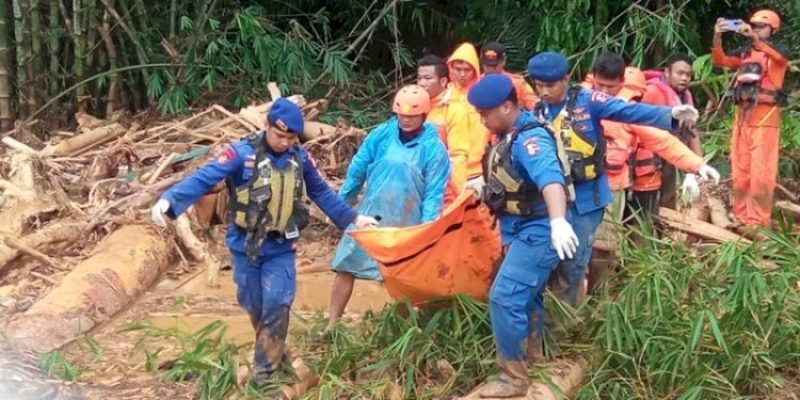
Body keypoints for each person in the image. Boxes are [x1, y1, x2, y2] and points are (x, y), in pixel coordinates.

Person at [149, 98, 379, 386]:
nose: (284, 142)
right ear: (267, 126)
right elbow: (205, 178)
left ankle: (264, 377)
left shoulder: (300, 158)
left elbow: (321, 192)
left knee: (277, 303)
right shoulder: (240, 153)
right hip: (245, 246)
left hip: (281, 246)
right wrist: (170, 201)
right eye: (279, 135)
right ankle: (281, 357)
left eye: (291, 137)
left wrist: (354, 220)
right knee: (254, 304)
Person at [527, 51, 702, 307]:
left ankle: (591, 308)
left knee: (590, 255)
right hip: (556, 195)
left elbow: (643, 121)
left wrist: (692, 163)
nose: (543, 91)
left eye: (549, 85)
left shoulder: (593, 102)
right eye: (539, 85)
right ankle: (555, 314)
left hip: (598, 192)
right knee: (554, 258)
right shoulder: (539, 111)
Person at [464, 73, 579, 398]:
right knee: (528, 296)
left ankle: (513, 379)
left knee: (505, 296)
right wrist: (483, 187)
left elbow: (550, 180)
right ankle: (533, 357)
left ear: (506, 106)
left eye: (485, 113)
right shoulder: (509, 133)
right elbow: (515, 178)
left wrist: (558, 222)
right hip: (518, 226)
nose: (482, 119)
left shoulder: (531, 139)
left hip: (539, 230)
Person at [321, 85, 451, 336]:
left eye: (412, 116)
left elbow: (434, 195)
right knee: (345, 266)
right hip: (370, 214)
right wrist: (342, 202)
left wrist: (425, 233)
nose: (406, 119)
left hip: (407, 221)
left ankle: (399, 332)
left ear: (424, 115)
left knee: (400, 277)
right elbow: (358, 167)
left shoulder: (434, 150)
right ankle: (331, 325)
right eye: (401, 114)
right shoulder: (381, 135)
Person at [712, 9, 790, 230]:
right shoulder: (745, 53)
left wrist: (754, 38)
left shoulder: (777, 52)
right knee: (741, 169)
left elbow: (781, 58)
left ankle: (758, 221)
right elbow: (720, 60)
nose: (755, 29)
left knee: (761, 172)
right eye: (753, 26)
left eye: (760, 27)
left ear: (771, 30)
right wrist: (717, 36)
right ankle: (741, 215)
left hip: (765, 120)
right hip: (742, 119)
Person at [641, 52, 705, 209]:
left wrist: (697, 167)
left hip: (670, 157)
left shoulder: (685, 96)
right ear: (667, 72)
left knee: (668, 201)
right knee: (645, 207)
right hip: (649, 160)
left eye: (688, 74)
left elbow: (691, 131)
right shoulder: (652, 93)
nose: (684, 78)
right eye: (680, 73)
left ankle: (663, 233)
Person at [417, 54, 473, 204]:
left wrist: (460, 195)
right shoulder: (414, 104)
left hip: (442, 184)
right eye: (419, 78)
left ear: (443, 81)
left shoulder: (454, 109)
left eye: (428, 78)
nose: (422, 83)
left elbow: (458, 155)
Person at [479, 42, 539, 110]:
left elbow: (534, 103)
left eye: (494, 66)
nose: (491, 69)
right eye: (487, 66)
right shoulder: (476, 83)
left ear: (504, 61)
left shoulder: (517, 83)